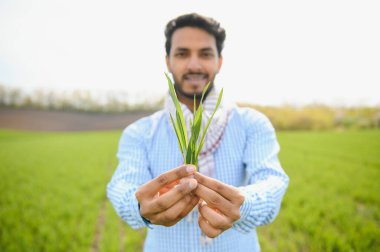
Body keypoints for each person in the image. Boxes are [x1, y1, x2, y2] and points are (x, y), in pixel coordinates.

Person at [107, 13, 289, 252]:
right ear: (168, 61)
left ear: (219, 61)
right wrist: (139, 205)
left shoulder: (251, 124)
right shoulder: (141, 132)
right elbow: (122, 185)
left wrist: (245, 204)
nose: (194, 64)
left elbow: (271, 180)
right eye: (182, 54)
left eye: (205, 53)